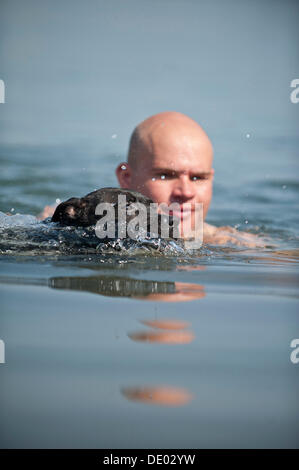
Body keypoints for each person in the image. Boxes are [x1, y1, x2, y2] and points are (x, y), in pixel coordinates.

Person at [38, 111, 264, 247]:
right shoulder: (61, 225)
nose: (186, 192)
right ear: (126, 178)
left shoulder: (237, 243)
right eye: (165, 175)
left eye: (198, 177)